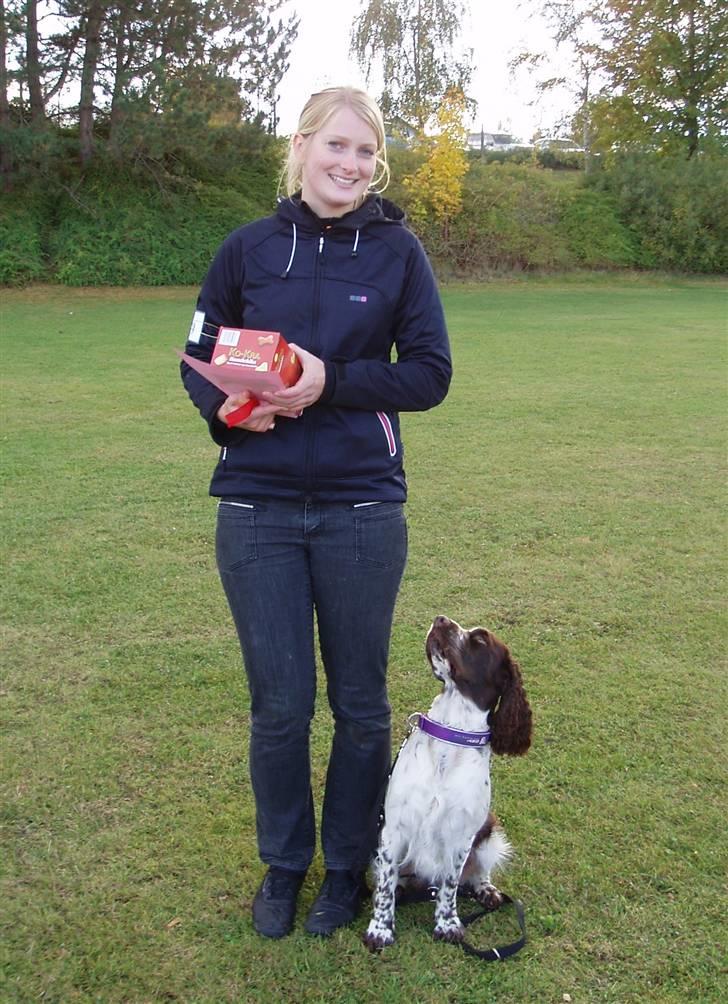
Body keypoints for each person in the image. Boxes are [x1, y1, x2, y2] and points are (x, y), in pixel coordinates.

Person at [180, 86, 452, 940]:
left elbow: (430, 374)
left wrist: (334, 381)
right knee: (280, 705)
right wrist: (233, 410)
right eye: (336, 146)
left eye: (366, 154)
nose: (351, 165)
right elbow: (198, 357)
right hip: (255, 509)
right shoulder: (248, 249)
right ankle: (283, 864)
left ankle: (344, 869)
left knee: (363, 705)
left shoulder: (400, 253)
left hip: (362, 509)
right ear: (299, 147)